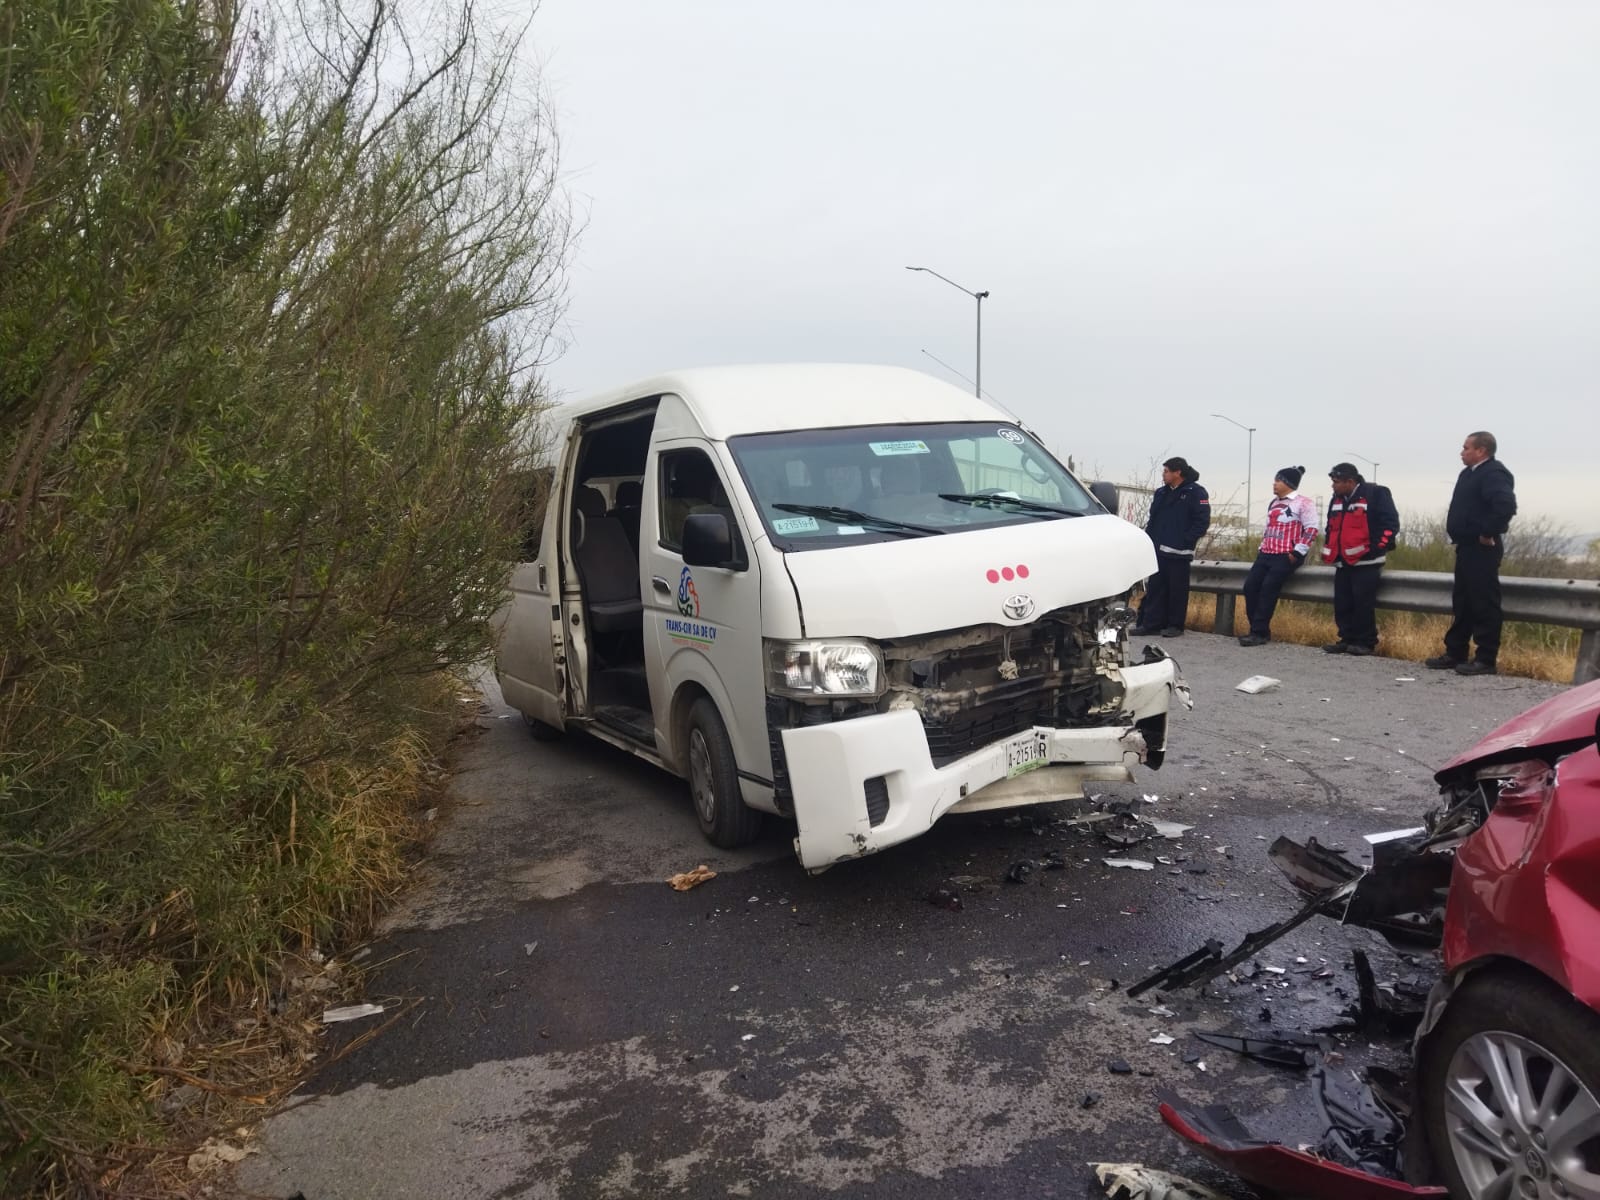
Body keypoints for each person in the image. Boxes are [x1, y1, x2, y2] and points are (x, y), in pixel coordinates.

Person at [1426, 431, 1517, 676]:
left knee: (1483, 602)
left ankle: (1485, 659)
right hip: (1466, 547)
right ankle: (1455, 653)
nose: (1462, 452)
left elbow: (1505, 505)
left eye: (1466, 447)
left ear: (1481, 451)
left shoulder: (1494, 473)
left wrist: (1488, 532)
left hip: (1483, 548)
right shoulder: (1468, 474)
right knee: (1463, 601)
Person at [1320, 463, 1400, 657]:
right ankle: (1346, 639)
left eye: (1336, 482)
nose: (1333, 486)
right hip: (1343, 561)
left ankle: (1365, 641)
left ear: (1350, 481)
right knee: (1343, 603)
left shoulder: (1376, 494)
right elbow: (1331, 527)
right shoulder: (1337, 499)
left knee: (1362, 604)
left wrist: (1375, 548)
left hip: (1367, 563)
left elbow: (1390, 524)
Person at [1239, 466, 1319, 646]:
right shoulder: (1273, 503)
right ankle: (1257, 629)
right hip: (1266, 553)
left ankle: (1258, 633)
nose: (1274, 484)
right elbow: (1269, 528)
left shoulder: (1303, 503)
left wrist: (1297, 552)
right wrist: (1261, 547)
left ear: (1288, 483)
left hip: (1286, 555)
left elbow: (1311, 529)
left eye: (1278, 481)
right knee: (1250, 587)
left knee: (1268, 589)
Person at [1132, 457, 1211, 637]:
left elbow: (1202, 521)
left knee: (1177, 591)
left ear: (1178, 473)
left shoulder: (1195, 492)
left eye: (1167, 471)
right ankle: (1151, 624)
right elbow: (1153, 519)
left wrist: (1186, 540)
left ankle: (1175, 626)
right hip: (1158, 550)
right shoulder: (1161, 493)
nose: (1164, 474)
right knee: (1155, 589)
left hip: (1180, 553)